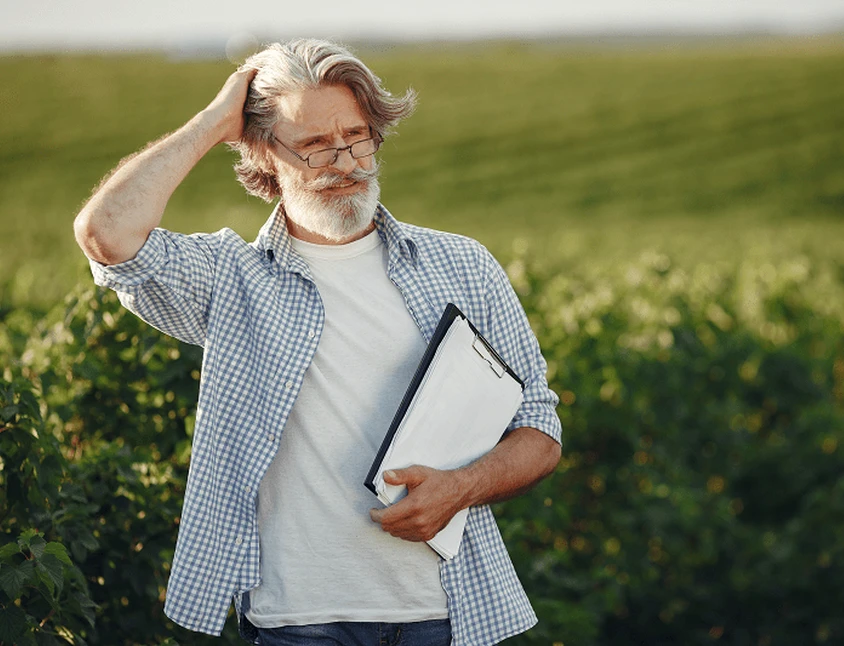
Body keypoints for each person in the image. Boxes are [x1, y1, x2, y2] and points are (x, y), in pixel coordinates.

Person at [73, 39, 562, 646]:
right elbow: (106, 235)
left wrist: (460, 489)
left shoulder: (462, 265)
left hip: (442, 614)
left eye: (358, 136)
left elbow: (539, 429)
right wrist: (213, 123)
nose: (345, 162)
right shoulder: (231, 279)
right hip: (294, 621)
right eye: (313, 145)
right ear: (262, 155)